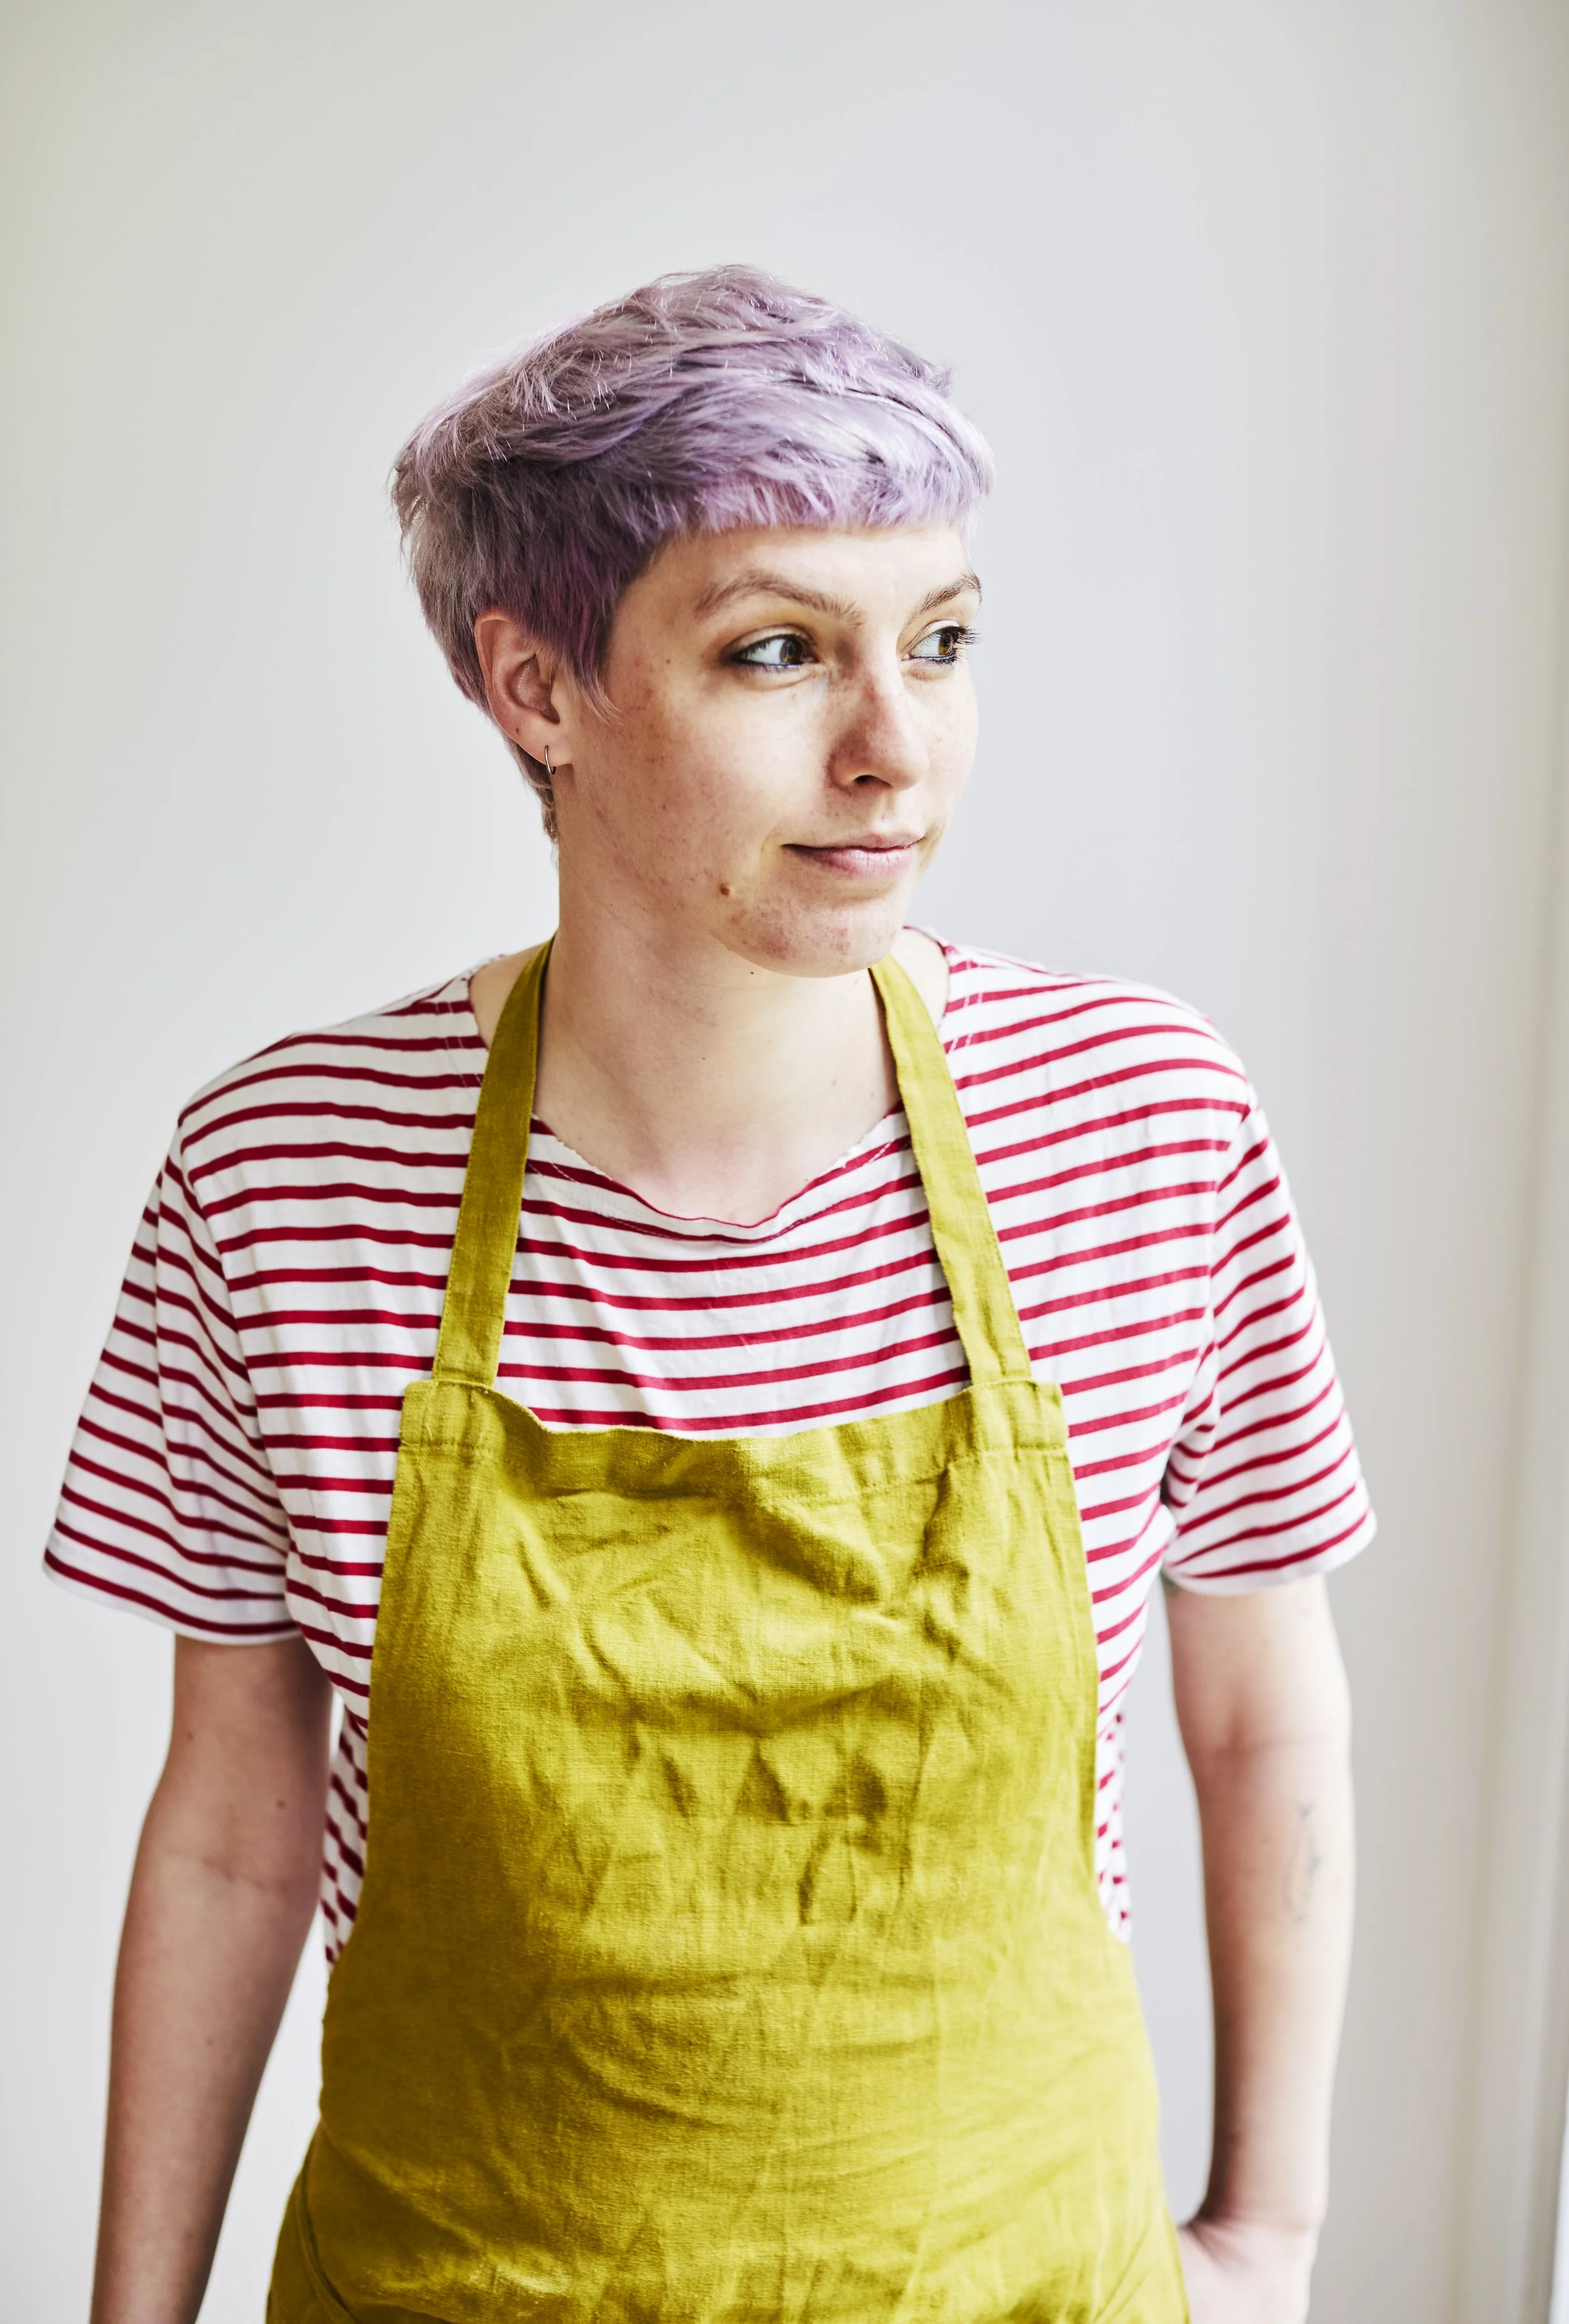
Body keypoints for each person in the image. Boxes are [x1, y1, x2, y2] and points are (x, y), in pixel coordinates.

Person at [51, 267, 1368, 2324]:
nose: (893, 749)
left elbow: (1262, 1705)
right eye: (779, 651)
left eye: (939, 643)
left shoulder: (1141, 1124)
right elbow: (230, 1815)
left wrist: (1267, 2238)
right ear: (536, 686)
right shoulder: (285, 1174)